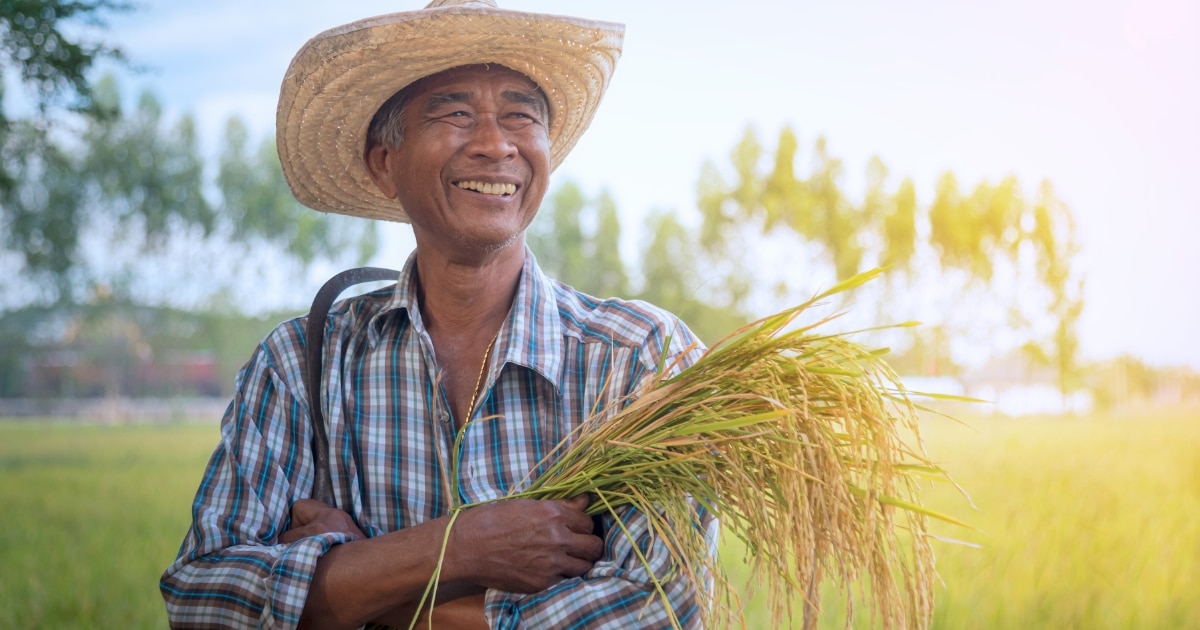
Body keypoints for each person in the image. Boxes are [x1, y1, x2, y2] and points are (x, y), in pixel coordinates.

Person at [161, 1, 713, 628]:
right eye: (455, 114)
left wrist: (368, 579)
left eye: (520, 115)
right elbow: (200, 596)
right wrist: (460, 545)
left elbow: (660, 606)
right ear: (385, 164)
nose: (495, 144)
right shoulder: (299, 364)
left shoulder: (641, 362)